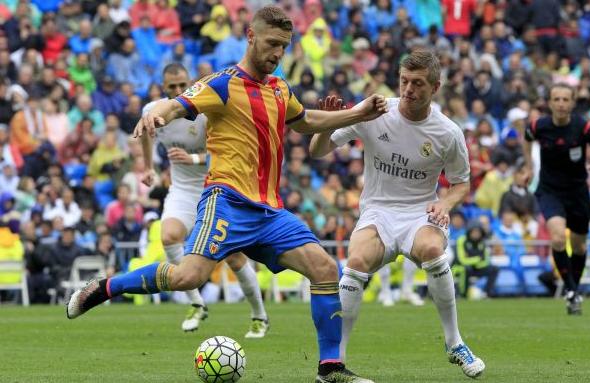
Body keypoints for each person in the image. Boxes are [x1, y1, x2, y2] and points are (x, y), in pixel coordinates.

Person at [67, 6, 387, 383]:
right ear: (250, 37)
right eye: (271, 44)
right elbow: (179, 103)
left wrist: (358, 113)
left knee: (324, 269)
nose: (277, 53)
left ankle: (330, 369)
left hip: (269, 211)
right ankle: (106, 287)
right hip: (227, 201)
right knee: (189, 277)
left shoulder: (280, 87)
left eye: (284, 46)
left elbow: (306, 122)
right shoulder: (221, 83)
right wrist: (158, 116)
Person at [309, 49, 485, 378]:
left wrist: (444, 204)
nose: (408, 90)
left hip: (419, 212)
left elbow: (462, 183)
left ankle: (454, 342)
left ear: (435, 87)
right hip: (377, 210)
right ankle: (335, 364)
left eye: (417, 83)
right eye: (404, 81)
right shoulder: (373, 112)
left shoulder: (447, 132)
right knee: (356, 262)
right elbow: (318, 151)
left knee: (433, 251)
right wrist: (325, 123)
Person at [140, 63, 270, 337]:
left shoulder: (206, 110)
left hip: (216, 186)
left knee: (233, 256)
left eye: (181, 85)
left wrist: (195, 158)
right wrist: (148, 167)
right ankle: (196, 303)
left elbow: (230, 151)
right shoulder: (155, 111)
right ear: (163, 87)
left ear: (190, 82)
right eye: (171, 87)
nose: (177, 91)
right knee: (169, 235)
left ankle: (259, 315)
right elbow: (145, 132)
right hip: (183, 190)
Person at [522, 83, 590, 315]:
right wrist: (529, 167)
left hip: (578, 192)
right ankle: (572, 292)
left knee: (580, 247)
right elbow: (526, 137)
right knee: (559, 237)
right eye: (556, 99)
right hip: (550, 190)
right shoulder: (538, 126)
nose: (561, 104)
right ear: (550, 103)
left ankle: (573, 290)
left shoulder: (582, 126)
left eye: (565, 99)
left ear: (572, 103)